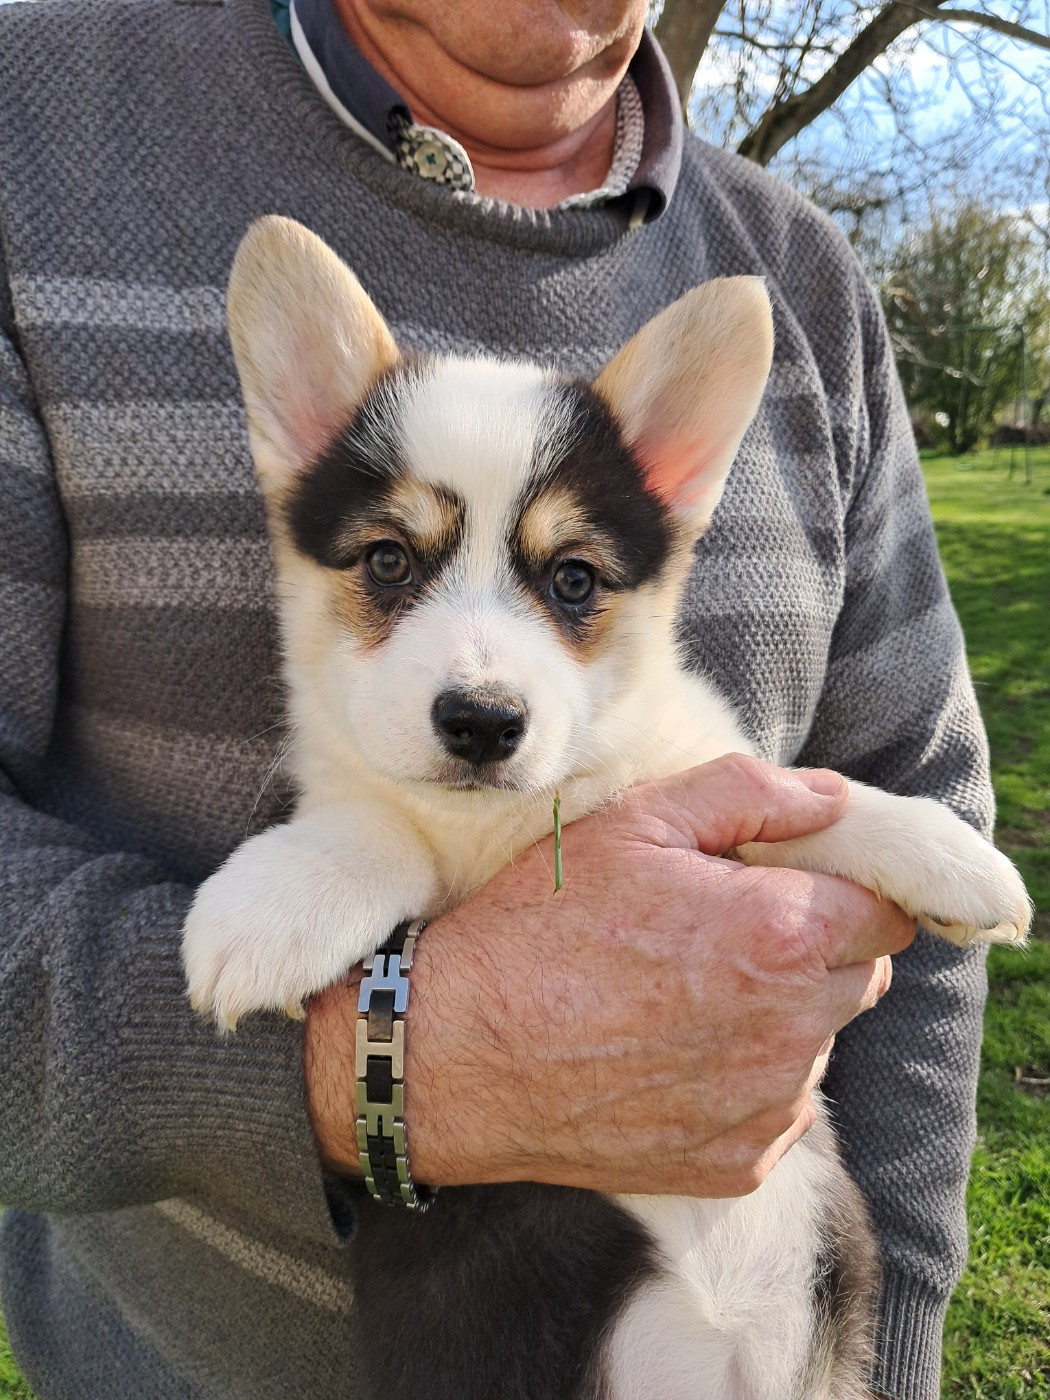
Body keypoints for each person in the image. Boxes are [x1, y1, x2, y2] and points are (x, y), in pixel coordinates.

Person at [0, 0, 992, 1396]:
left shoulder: (799, 275)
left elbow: (913, 810)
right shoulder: (28, 121)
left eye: (569, 581)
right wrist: (377, 1062)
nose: (478, 672)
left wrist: (878, 1361)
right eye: (393, 562)